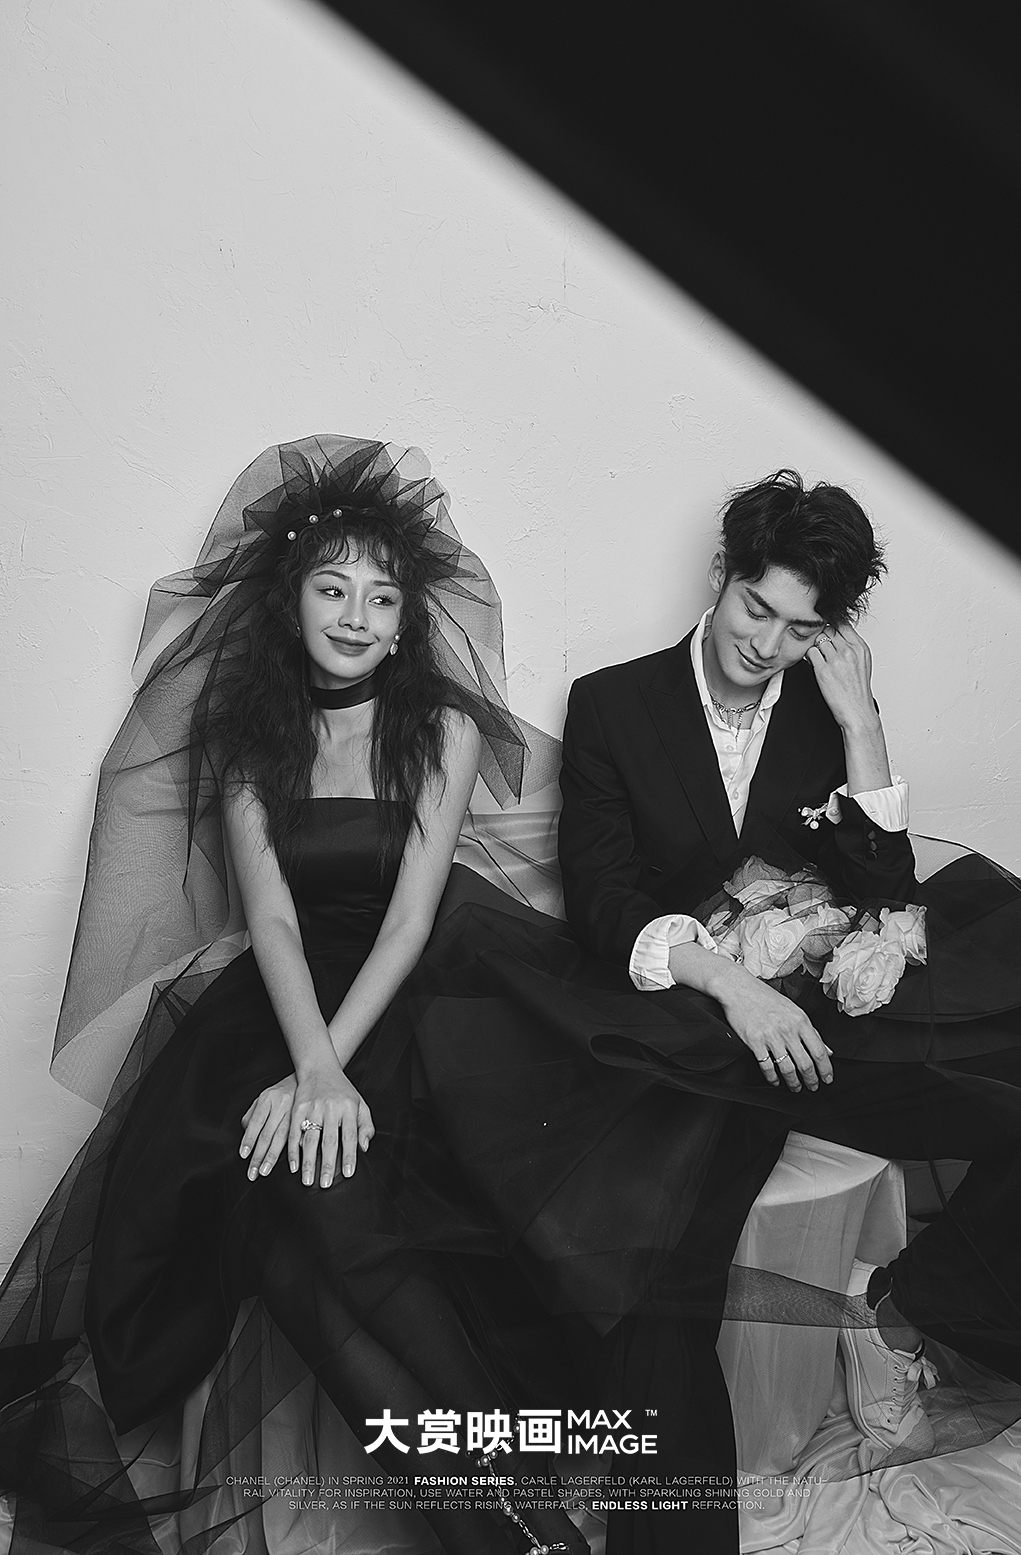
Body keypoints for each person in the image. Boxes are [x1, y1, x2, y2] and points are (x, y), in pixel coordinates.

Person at [398, 470, 1021, 1554]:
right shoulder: (613, 702)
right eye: (754, 608)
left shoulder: (824, 715)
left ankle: (930, 1302)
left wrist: (860, 721)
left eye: (800, 629)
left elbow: (885, 896)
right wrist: (732, 986)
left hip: (824, 1027)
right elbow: (603, 900)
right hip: (685, 1029)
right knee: (663, 1278)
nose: (766, 644)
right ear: (722, 575)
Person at [0, 435, 585, 1555]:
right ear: (293, 599)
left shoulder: (446, 726)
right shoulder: (248, 730)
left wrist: (330, 1070)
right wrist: (306, 1066)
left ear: (408, 618)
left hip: (410, 997)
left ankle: (516, 1515)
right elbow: (267, 915)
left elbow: (410, 919)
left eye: (382, 596)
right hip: (278, 1000)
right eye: (333, 589)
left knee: (327, 1205)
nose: (357, 616)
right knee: (280, 1224)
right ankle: (516, 1530)